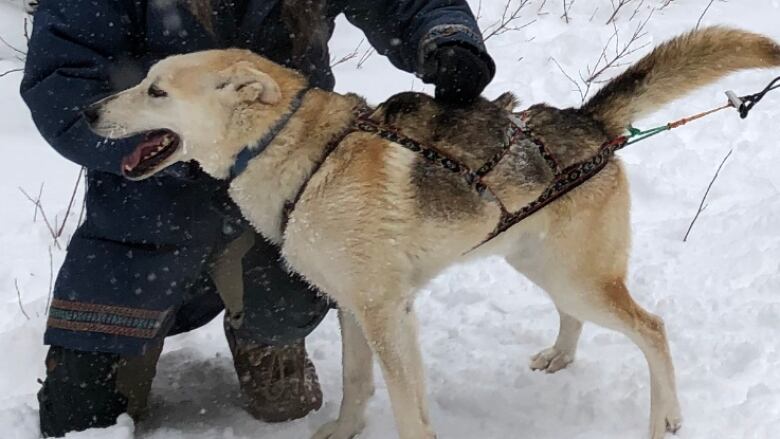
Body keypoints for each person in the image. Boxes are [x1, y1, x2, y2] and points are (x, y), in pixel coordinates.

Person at [20, 0, 495, 437]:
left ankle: (265, 337)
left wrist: (446, 37)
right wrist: (181, 143)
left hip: (286, 202)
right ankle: (129, 346)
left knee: (289, 403)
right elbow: (61, 75)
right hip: (146, 223)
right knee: (79, 422)